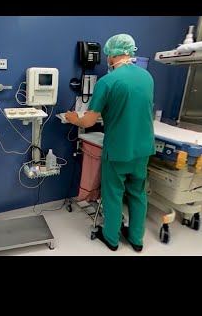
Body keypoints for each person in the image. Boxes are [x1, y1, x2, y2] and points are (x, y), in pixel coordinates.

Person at [64, 34, 155, 252]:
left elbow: (88, 121)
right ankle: (136, 239)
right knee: (137, 194)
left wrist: (71, 117)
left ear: (111, 54)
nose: (106, 58)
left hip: (118, 151)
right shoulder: (147, 77)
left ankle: (111, 239)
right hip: (142, 149)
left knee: (113, 195)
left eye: (106, 54)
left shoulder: (107, 82)